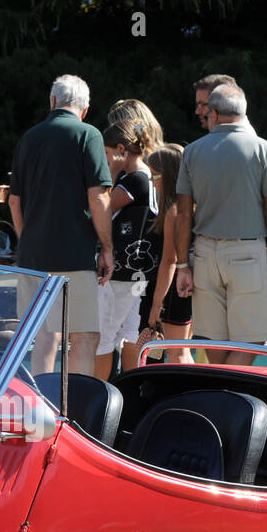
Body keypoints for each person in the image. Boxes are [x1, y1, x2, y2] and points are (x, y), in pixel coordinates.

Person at [174, 84, 267, 365]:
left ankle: (219, 400)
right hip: (248, 254)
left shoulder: (192, 151)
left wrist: (182, 265)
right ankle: (229, 397)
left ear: (213, 113)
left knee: (212, 341)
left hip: (203, 254)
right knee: (251, 340)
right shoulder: (264, 149)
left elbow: (183, 213)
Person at [8, 74, 113, 377]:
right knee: (83, 336)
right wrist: (107, 247)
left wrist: (27, 240)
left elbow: (14, 201)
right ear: (85, 108)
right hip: (75, 255)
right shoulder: (88, 135)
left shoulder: (28, 137)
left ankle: (41, 406)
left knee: (44, 335)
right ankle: (76, 411)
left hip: (32, 257)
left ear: (52, 102)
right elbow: (99, 197)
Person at [96, 118, 158, 380]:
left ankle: (94, 395)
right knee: (126, 336)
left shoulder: (134, 180)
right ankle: (132, 396)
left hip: (119, 274)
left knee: (103, 338)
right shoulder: (148, 176)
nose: (107, 159)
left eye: (108, 154)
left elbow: (102, 207)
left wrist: (109, 174)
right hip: (135, 273)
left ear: (121, 149)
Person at [144, 143, 194, 364]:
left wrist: (157, 304)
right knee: (183, 351)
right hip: (189, 287)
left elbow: (169, 261)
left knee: (176, 353)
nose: (152, 182)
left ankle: (187, 399)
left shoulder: (174, 210)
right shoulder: (189, 205)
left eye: (154, 176)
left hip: (175, 291)